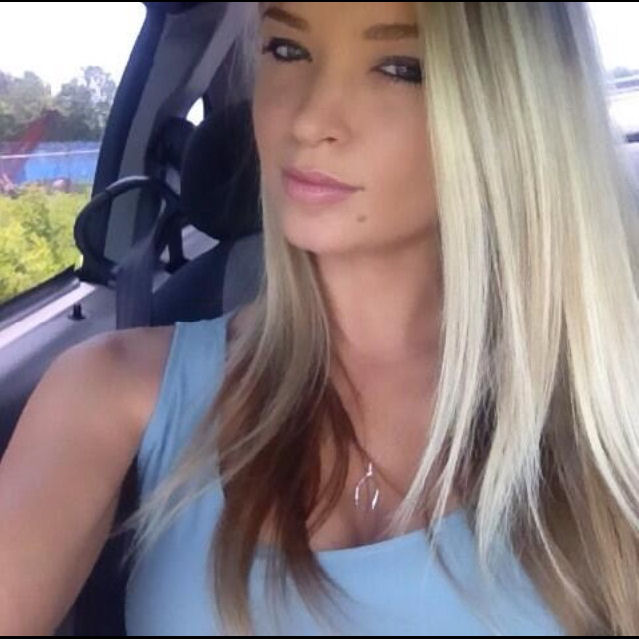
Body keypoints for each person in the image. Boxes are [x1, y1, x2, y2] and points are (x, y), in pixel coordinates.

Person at [2, 2, 639, 635]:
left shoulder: (608, 402)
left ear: (516, 107)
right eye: (286, 50)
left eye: (399, 67)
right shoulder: (107, 391)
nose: (308, 121)